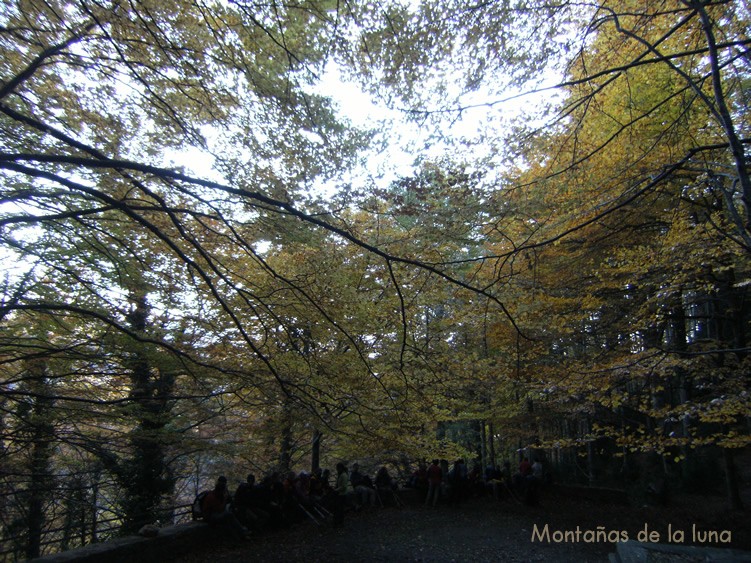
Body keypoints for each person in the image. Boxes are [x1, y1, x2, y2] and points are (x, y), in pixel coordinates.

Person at [201, 476, 251, 540]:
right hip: (210, 516)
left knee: (230, 517)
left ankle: (239, 536)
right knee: (229, 515)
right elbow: (220, 509)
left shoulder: (217, 494)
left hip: (215, 513)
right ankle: (242, 532)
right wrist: (225, 498)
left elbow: (228, 502)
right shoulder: (212, 497)